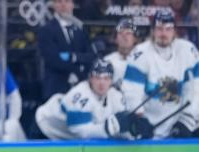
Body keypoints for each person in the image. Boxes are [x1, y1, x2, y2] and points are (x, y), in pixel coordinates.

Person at [122, 8, 199, 139]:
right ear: (152, 31)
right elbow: (131, 93)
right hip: (149, 128)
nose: (163, 33)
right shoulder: (140, 54)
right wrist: (139, 119)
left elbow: (196, 89)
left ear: (174, 31)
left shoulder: (188, 51)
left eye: (168, 29)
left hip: (179, 125)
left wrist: (188, 121)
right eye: (159, 29)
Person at [35, 58, 148, 140]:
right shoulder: (79, 95)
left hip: (67, 136)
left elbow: (119, 125)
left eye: (106, 78)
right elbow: (80, 132)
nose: (102, 83)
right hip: (45, 127)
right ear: (90, 78)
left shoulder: (115, 95)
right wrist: (107, 128)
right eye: (97, 77)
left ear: (111, 80)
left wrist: (133, 129)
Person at [37, 0, 95, 99]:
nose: (63, 5)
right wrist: (78, 67)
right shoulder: (46, 30)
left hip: (81, 88)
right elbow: (53, 59)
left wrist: (73, 57)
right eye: (59, 1)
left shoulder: (81, 28)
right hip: (56, 89)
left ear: (72, 4)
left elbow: (90, 56)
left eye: (67, 1)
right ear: (54, 5)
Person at [104, 18, 139, 89]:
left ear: (135, 38)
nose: (124, 36)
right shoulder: (107, 61)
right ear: (115, 39)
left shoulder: (143, 60)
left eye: (128, 33)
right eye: (120, 33)